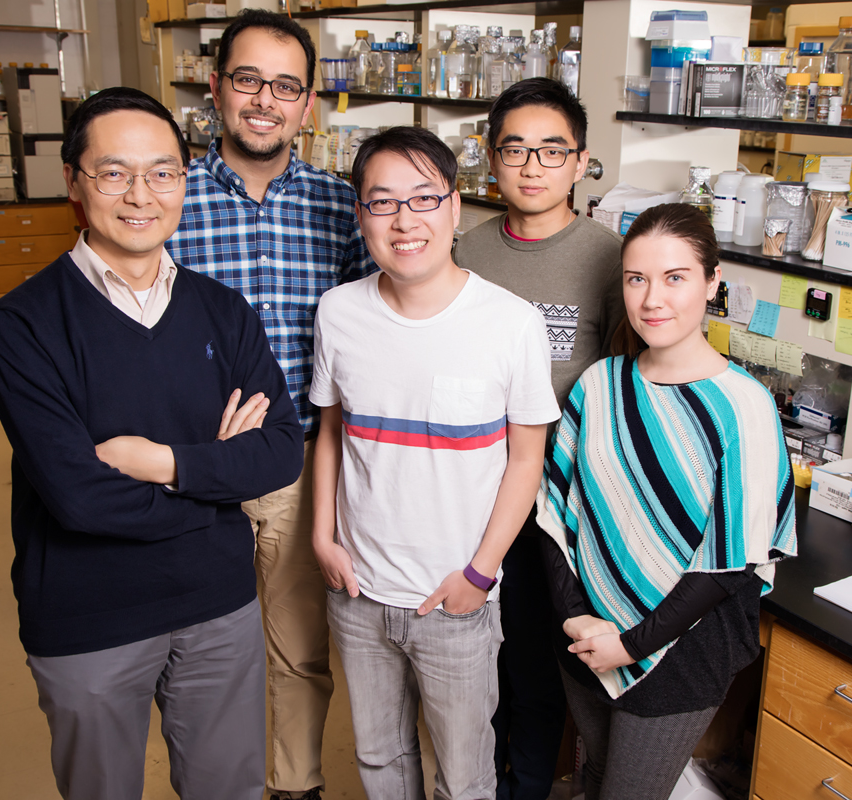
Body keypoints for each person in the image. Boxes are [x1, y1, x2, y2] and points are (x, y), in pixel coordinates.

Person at [0, 87, 304, 800]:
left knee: (230, 790)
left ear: (184, 182)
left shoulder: (224, 310)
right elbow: (78, 498)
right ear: (73, 182)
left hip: (219, 605)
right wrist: (218, 483)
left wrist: (162, 463)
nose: (141, 195)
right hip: (90, 614)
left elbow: (281, 452)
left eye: (162, 172)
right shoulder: (23, 324)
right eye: (113, 172)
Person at [309, 126, 560, 800]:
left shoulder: (510, 322)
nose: (404, 220)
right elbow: (331, 433)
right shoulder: (339, 312)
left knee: (464, 776)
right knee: (379, 761)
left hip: (455, 600)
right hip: (358, 593)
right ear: (360, 214)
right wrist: (322, 537)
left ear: (454, 207)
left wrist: (479, 573)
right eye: (382, 202)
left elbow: (527, 459)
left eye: (423, 198)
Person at [166, 12, 374, 800]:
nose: (265, 101)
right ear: (216, 86)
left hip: (297, 464)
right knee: (200, 655)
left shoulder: (340, 206)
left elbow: (370, 332)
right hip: (192, 466)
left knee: (299, 650)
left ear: (308, 103)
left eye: (285, 86)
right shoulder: (168, 196)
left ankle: (295, 786)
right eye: (248, 80)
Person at [536, 203, 798, 800]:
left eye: (675, 277)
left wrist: (629, 645)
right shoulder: (599, 384)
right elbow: (553, 514)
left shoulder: (744, 408)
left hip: (682, 654)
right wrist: (575, 616)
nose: (653, 299)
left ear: (712, 282)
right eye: (637, 279)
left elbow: (729, 563)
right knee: (596, 777)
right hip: (586, 632)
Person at [452, 77, 624, 800]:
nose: (532, 167)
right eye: (515, 149)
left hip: (554, 508)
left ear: (580, 162)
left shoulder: (612, 258)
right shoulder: (462, 250)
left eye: (552, 151)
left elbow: (625, 386)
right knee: (467, 668)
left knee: (533, 669)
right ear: (491, 158)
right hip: (465, 493)